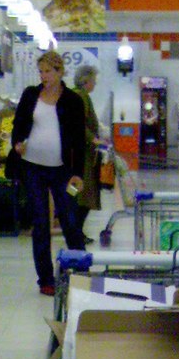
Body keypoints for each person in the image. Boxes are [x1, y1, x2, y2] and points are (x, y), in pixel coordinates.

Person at [11, 50, 86, 297]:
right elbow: (18, 124)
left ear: (60, 71)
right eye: (41, 71)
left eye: (48, 71)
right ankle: (45, 279)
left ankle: (80, 272)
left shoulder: (73, 100)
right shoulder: (31, 95)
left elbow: (78, 140)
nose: (44, 76)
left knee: (70, 220)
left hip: (63, 171)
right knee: (40, 222)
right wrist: (17, 143)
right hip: (32, 167)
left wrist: (79, 174)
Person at [72, 64, 104, 243]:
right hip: (82, 155)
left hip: (79, 154)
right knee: (84, 194)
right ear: (86, 81)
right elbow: (78, 123)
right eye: (94, 81)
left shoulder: (78, 95)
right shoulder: (80, 96)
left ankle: (77, 231)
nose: (95, 84)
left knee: (77, 193)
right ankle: (75, 232)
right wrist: (93, 139)